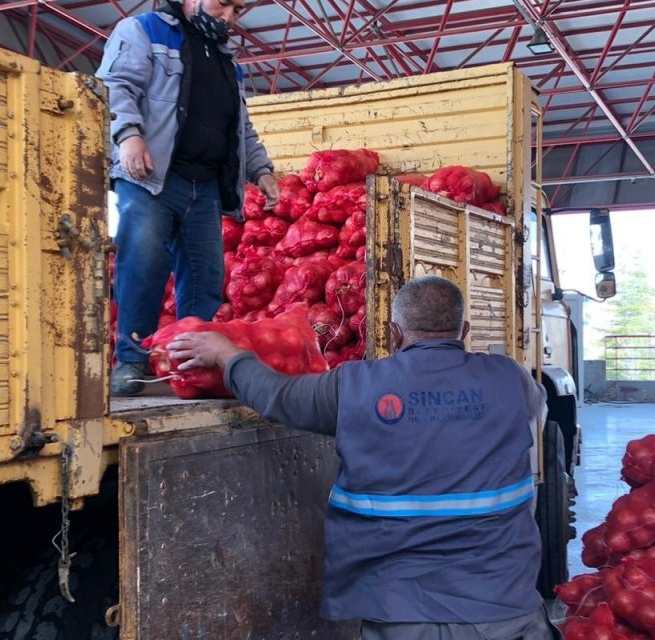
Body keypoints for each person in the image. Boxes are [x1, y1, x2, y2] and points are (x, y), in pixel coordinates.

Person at [167, 276, 553, 640]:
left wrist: (227, 354)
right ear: (464, 332)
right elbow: (536, 405)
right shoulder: (509, 379)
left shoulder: (354, 385)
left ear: (394, 333)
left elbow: (276, 397)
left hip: (402, 613)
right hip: (505, 610)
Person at [98, 0, 280, 396]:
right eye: (223, 4)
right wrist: (128, 135)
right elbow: (116, 86)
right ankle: (130, 360)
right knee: (143, 263)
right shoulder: (143, 31)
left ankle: (189, 365)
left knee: (206, 276)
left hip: (206, 186)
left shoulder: (227, 62)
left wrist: (261, 170)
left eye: (237, 10)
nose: (230, 16)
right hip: (152, 178)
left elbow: (240, 126)